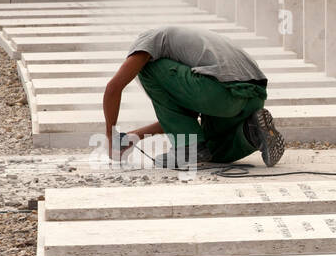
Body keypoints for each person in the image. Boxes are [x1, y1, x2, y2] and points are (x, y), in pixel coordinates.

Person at [103, 25, 285, 168]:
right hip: (252, 98)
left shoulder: (146, 43)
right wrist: (132, 137)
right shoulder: (191, 50)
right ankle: (251, 132)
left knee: (147, 69)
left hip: (220, 92)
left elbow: (114, 87)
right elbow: (185, 116)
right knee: (209, 149)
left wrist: (110, 136)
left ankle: (187, 148)